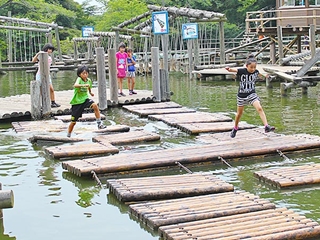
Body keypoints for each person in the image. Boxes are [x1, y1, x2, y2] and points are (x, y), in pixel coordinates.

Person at [225, 55, 275, 138]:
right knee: (239, 114)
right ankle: (235, 128)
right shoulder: (242, 71)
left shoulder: (256, 72)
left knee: (259, 108)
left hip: (252, 94)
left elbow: (261, 75)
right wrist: (229, 69)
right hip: (241, 96)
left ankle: (266, 126)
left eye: (254, 67)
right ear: (247, 66)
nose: (253, 69)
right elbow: (235, 70)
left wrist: (266, 76)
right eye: (251, 67)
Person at [67, 65, 106, 137]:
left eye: (86, 73)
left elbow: (89, 87)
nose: (85, 75)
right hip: (77, 102)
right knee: (73, 122)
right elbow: (75, 85)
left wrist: (90, 92)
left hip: (85, 99)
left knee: (95, 105)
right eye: (83, 73)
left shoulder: (89, 80)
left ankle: (99, 123)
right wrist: (83, 85)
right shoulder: (79, 79)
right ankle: (68, 135)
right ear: (79, 74)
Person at [32, 43, 60, 108]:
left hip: (47, 74)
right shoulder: (41, 55)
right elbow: (33, 61)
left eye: (51, 50)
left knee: (51, 89)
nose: (50, 51)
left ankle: (53, 102)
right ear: (46, 49)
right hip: (40, 74)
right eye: (50, 49)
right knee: (41, 90)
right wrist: (38, 54)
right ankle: (42, 104)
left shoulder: (49, 57)